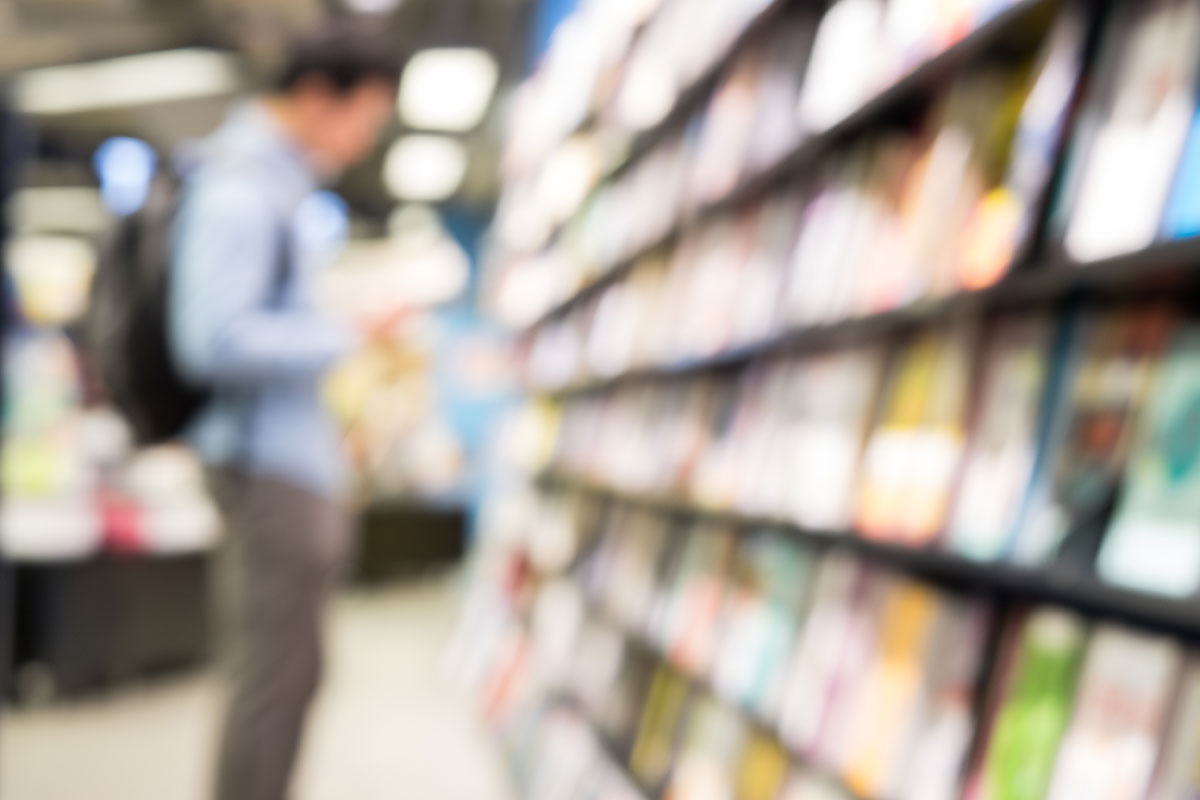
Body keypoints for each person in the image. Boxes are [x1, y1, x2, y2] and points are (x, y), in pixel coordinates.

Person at [169, 26, 402, 800]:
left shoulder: (279, 188)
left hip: (288, 461)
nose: (365, 138)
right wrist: (346, 331)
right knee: (271, 682)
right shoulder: (241, 188)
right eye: (363, 116)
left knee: (291, 675)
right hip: (266, 464)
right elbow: (212, 340)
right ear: (315, 97)